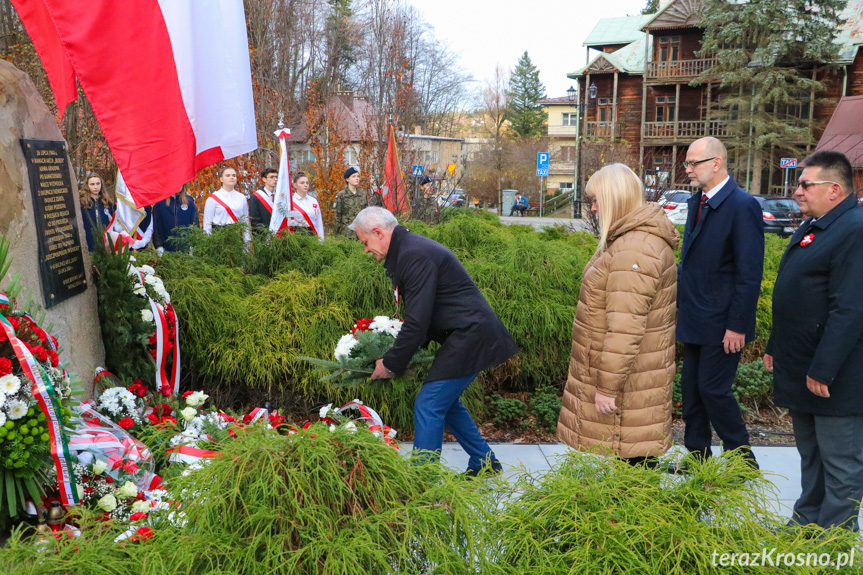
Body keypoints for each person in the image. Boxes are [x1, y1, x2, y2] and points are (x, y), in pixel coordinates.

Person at [353, 207, 518, 476]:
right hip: (464, 334)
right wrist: (403, 354)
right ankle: (484, 462)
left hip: (471, 335)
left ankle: (422, 479)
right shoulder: (408, 250)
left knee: (429, 404)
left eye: (365, 243)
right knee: (446, 402)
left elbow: (418, 320)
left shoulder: (413, 254)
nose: (365, 250)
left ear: (378, 232)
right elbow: (425, 317)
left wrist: (392, 363)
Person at [764, 150, 863, 531]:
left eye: (806, 184)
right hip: (802, 365)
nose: (798, 192)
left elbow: (850, 309)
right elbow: (795, 296)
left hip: (836, 375)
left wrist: (823, 369)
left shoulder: (854, 229)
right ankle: (805, 527)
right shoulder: (815, 225)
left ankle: (833, 544)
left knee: (840, 463)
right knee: (811, 456)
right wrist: (775, 343)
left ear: (835, 189)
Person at [557, 164, 679, 467]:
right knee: (632, 469)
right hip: (636, 380)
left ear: (615, 199)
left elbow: (625, 328)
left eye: (597, 200)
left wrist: (606, 388)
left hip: (629, 386)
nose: (594, 208)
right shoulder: (630, 241)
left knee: (633, 472)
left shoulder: (634, 249)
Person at [676, 136, 764, 470]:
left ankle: (742, 461)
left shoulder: (742, 205)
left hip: (724, 322)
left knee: (713, 390)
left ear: (717, 163)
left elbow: (749, 273)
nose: (687, 170)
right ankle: (698, 460)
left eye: (693, 163)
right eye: (686, 163)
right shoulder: (696, 201)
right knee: (692, 393)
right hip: (695, 317)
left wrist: (737, 325)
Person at [202, 167, 251, 243]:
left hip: (236, 236)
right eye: (228, 175)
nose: (231, 177)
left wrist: (246, 242)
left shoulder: (241, 197)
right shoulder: (213, 198)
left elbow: (245, 221)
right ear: (221, 179)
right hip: (219, 236)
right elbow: (207, 223)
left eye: (234, 175)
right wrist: (208, 242)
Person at [153, 187, 199, 253]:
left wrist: (193, 246)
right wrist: (159, 246)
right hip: (166, 252)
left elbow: (195, 227)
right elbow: (156, 228)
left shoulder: (190, 203)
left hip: (186, 252)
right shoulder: (160, 204)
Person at [78, 173, 114, 251]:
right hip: (89, 243)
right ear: (87, 186)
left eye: (98, 184)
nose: (95, 187)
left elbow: (112, 223)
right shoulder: (83, 204)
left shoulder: (107, 202)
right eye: (92, 184)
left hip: (106, 244)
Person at [333, 167, 371, 238]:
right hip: (346, 233)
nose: (357, 178)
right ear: (347, 179)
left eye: (358, 176)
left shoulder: (362, 194)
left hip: (361, 233)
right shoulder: (341, 195)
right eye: (353, 176)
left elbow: (367, 214)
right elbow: (337, 217)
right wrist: (337, 234)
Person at [287, 172, 324, 241]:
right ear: (295, 185)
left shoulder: (313, 201)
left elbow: (319, 221)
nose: (305, 185)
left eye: (307, 183)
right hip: (298, 235)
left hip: (313, 234)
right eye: (302, 183)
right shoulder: (290, 201)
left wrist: (321, 239)